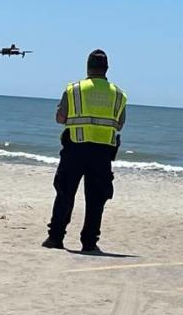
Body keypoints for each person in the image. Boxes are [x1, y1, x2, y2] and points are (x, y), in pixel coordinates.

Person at [42, 49, 127, 254]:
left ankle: (56, 238)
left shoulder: (74, 89)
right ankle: (89, 241)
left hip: (75, 149)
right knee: (96, 199)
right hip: (103, 153)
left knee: (65, 193)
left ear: (87, 67)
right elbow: (120, 124)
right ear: (106, 68)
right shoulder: (118, 95)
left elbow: (60, 118)